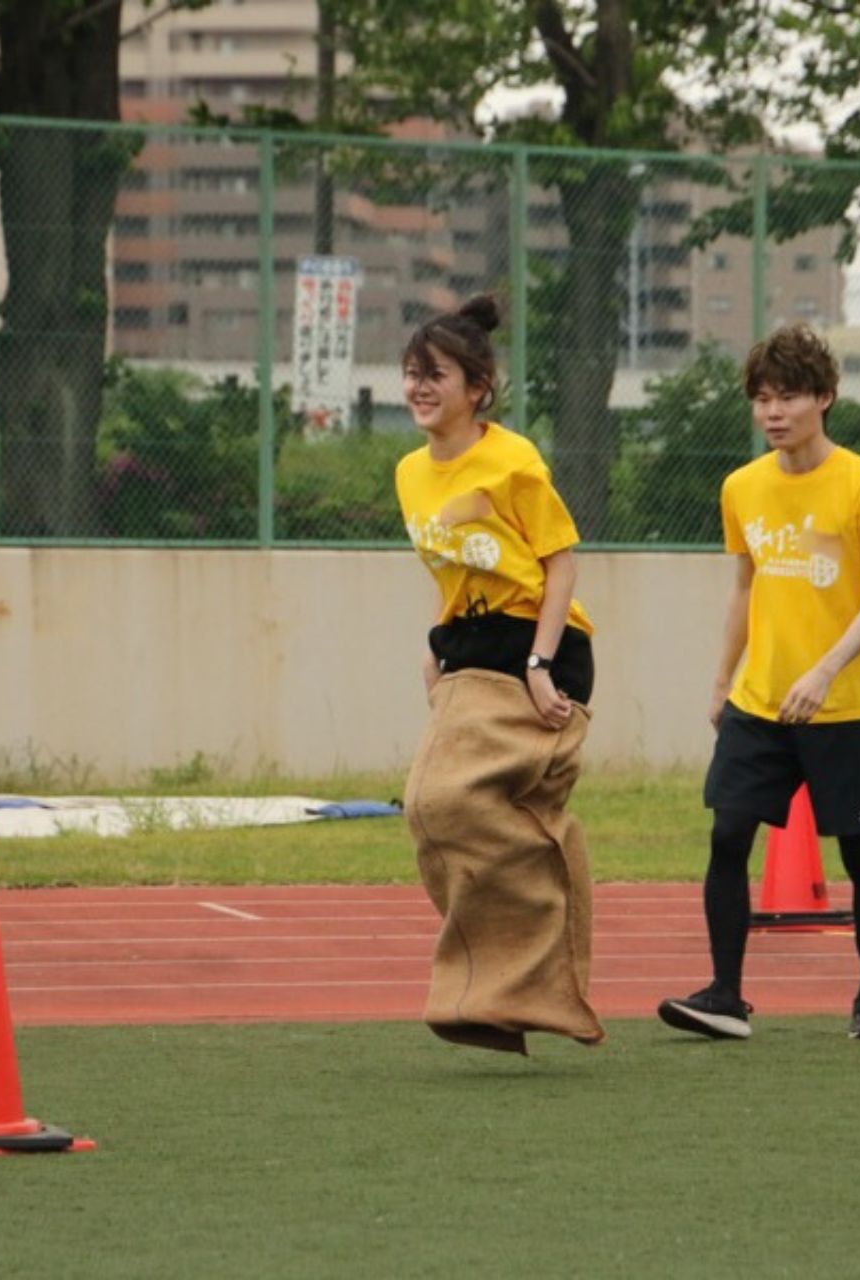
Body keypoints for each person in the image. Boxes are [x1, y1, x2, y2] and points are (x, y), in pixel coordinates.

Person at [658, 324, 860, 1043]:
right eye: (762, 398)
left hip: (848, 706)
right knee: (727, 834)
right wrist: (721, 681)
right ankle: (725, 997)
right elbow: (745, 586)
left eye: (789, 395)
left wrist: (826, 672)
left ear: (825, 398)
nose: (773, 411)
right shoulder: (742, 486)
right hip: (759, 701)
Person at [394, 294, 605, 1055]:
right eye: (412, 374)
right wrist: (435, 643)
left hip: (534, 645)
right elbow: (449, 566)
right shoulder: (410, 473)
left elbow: (559, 562)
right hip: (466, 645)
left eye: (436, 375)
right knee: (426, 810)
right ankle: (490, 993)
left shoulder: (513, 460)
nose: (419, 388)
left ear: (478, 388)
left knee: (448, 797)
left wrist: (541, 665)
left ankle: (553, 860)